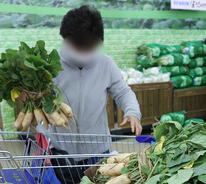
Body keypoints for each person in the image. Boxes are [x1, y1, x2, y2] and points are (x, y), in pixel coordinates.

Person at [56, 5, 142, 147]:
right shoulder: (51, 65)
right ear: (66, 39)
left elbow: (123, 92)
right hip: (61, 150)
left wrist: (132, 112)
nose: (84, 51)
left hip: (98, 148)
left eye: (89, 46)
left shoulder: (105, 63)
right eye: (79, 46)